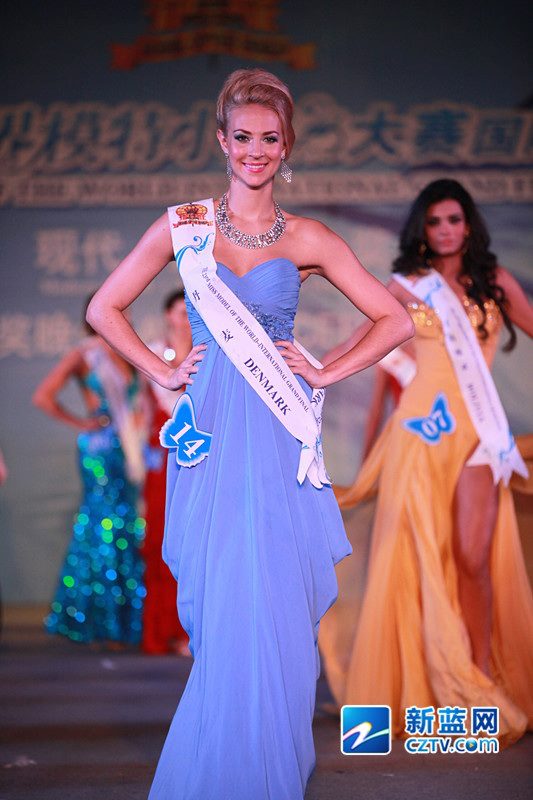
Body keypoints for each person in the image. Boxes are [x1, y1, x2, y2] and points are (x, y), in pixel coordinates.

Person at [86, 68, 413, 799]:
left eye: (269, 138)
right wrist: (162, 369)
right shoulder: (185, 225)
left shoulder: (307, 236)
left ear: (286, 144)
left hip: (276, 430)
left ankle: (270, 768)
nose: (255, 150)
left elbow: (393, 320)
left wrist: (325, 370)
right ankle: (224, 764)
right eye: (242, 137)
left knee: (275, 599)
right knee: (221, 597)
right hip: (209, 430)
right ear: (221, 140)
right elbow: (105, 307)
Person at [320, 178, 533, 747]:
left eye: (454, 220)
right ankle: (424, 687)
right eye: (435, 221)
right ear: (422, 227)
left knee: (471, 556)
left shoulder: (495, 281)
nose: (444, 230)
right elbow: (360, 341)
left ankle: (477, 680)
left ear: (469, 225)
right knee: (412, 559)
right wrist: (310, 372)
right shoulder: (405, 286)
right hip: (419, 433)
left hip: (478, 435)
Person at [33, 301, 146, 646]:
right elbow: (43, 397)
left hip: (127, 448)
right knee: (101, 524)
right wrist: (81, 423)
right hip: (98, 449)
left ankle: (122, 620)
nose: (122, 315)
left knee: (125, 524)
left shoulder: (128, 351)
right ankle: (98, 618)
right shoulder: (85, 354)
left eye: (125, 310)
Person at [142, 289, 191, 655]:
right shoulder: (155, 352)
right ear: (168, 315)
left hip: (200, 450)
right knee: (163, 533)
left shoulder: (211, 350)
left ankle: (192, 628)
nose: (187, 316)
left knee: (195, 537)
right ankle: (163, 629)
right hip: (164, 450)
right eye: (180, 310)